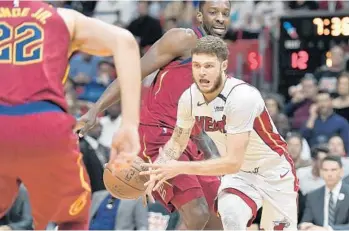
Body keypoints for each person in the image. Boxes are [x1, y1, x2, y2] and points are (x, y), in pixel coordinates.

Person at [77, 1, 231, 229]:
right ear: (199, 16)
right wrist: (93, 111)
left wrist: (209, 151)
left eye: (225, 13)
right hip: (159, 133)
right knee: (197, 214)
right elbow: (132, 74)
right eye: (213, 12)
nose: (219, 18)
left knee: (218, 219)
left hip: (189, 139)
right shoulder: (182, 39)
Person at [0, 0, 142, 229]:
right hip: (44, 123)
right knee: (71, 219)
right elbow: (125, 42)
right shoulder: (63, 18)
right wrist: (130, 125)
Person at [141, 36, 298, 230]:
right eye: (197, 66)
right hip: (240, 176)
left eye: (208, 66)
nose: (202, 73)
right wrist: (156, 170)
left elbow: (233, 161)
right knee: (230, 216)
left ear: (223, 66)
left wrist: (178, 167)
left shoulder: (242, 97)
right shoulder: (189, 98)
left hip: (273, 171)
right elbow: (177, 143)